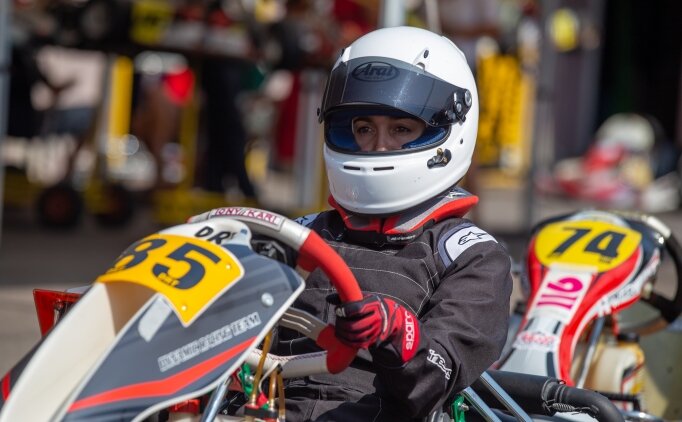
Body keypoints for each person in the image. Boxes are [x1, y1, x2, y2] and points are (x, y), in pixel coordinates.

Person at [228, 26, 513, 421]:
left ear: (449, 129)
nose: (378, 146)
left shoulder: (470, 256)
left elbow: (438, 374)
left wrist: (398, 333)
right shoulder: (297, 236)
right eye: (364, 129)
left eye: (401, 129)